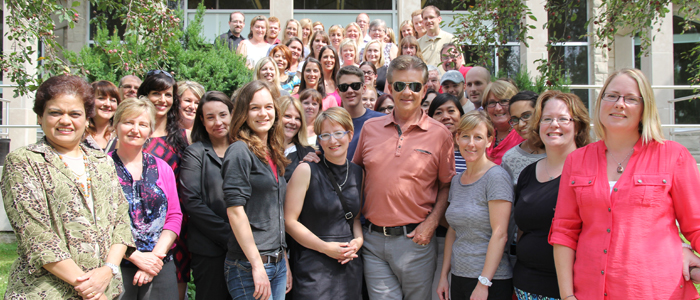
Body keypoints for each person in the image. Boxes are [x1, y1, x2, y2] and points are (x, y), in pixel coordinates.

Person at [550, 68, 700, 299]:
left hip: (656, 291)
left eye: (630, 98)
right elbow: (564, 232)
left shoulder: (673, 156)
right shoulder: (577, 160)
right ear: (601, 102)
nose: (619, 104)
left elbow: (696, 225)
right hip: (590, 291)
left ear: (644, 108)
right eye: (612, 96)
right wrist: (567, 295)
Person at [2, 75, 133, 300]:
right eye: (55, 113)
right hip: (46, 292)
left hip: (105, 288)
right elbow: (36, 235)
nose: (65, 121)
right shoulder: (24, 161)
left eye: (74, 114)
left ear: (86, 118)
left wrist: (108, 270)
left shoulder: (101, 161)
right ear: (40, 117)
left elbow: (121, 221)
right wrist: (90, 289)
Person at [353, 55, 455, 300]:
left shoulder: (440, 134)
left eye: (414, 86)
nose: (407, 92)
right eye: (400, 85)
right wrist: (316, 158)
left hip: (416, 242)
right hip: (373, 241)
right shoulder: (370, 128)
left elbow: (447, 185)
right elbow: (353, 175)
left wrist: (431, 223)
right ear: (389, 88)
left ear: (424, 89)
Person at [512, 90, 590, 300]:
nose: (554, 125)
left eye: (563, 119)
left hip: (572, 291)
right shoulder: (528, 173)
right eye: (547, 119)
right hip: (525, 287)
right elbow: (522, 230)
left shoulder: (590, 172)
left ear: (578, 125)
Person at [285, 107, 364, 299]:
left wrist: (359, 240)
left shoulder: (358, 172)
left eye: (338, 133)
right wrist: (324, 247)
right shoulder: (306, 169)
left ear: (350, 134)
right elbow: (289, 221)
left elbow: (355, 217)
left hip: (348, 261)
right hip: (314, 262)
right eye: (325, 135)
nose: (333, 140)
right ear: (319, 140)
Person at [222, 80, 290, 300]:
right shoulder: (239, 151)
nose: (263, 113)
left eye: (268, 107)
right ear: (244, 112)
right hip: (249, 266)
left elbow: (275, 213)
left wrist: (284, 261)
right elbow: (235, 211)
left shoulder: (273, 151)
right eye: (255, 108)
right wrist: (257, 266)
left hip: (277, 263)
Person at [110, 97, 183, 300]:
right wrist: (136, 257)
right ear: (116, 125)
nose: (135, 129)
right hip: (117, 266)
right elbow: (99, 223)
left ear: (150, 131)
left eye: (142, 124)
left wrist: (153, 259)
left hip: (160, 265)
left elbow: (174, 216)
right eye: (128, 122)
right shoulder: (101, 168)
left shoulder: (162, 168)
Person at [437, 111, 514, 300]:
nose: (471, 143)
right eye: (465, 136)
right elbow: (453, 231)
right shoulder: (457, 181)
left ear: (489, 140)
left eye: (478, 137)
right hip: (459, 276)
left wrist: (483, 283)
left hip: (490, 281)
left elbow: (500, 234)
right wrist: (443, 276)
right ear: (457, 139)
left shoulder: (496, 177)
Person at [137, 71, 191, 299]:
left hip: (176, 227)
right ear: (144, 96)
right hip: (138, 226)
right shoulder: (134, 132)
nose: (162, 100)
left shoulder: (183, 136)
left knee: (175, 287)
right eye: (155, 93)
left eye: (167, 94)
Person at [179, 91, 235, 300]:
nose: (218, 122)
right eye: (210, 117)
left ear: (232, 114)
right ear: (201, 120)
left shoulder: (246, 150)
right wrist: (230, 236)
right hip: (210, 251)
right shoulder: (195, 152)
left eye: (222, 115)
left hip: (248, 248)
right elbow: (191, 201)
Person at [336, 66, 385, 160]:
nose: (350, 91)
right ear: (338, 91)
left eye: (355, 86)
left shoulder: (381, 121)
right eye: (344, 87)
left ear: (364, 88)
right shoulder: (330, 122)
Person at [501, 91, 546, 186]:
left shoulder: (559, 150)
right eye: (515, 120)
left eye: (526, 116)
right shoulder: (510, 158)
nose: (521, 124)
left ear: (540, 113)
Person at [482, 80, 523, 165]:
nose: (498, 108)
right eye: (492, 102)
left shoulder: (523, 136)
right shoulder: (484, 133)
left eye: (504, 101)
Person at [279, 96, 315, 181]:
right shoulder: (261, 149)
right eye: (287, 116)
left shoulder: (307, 154)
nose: (292, 122)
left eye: (297, 118)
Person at [428, 93, 466, 172]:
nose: (445, 117)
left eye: (451, 111)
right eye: (438, 113)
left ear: (461, 115)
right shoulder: (426, 151)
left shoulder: (471, 148)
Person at [85, 80, 120, 152]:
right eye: (101, 98)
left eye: (112, 100)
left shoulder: (120, 134)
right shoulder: (80, 134)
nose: (108, 104)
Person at [418, 6, 454, 71]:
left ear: (439, 19)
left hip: (446, 80)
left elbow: (459, 64)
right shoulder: (418, 43)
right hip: (426, 80)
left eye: (431, 17)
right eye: (425, 18)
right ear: (423, 22)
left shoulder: (451, 39)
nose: (428, 21)